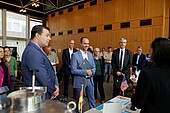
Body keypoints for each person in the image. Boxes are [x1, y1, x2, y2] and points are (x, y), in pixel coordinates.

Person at [22, 25, 59, 99]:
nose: (49, 38)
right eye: (47, 35)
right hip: (39, 95)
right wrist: (53, 90)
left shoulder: (36, 49)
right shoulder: (33, 52)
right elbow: (43, 77)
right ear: (37, 36)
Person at [134, 38, 170, 113]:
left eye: (150, 49)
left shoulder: (147, 74)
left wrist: (135, 93)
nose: (149, 52)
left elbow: (138, 103)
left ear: (156, 52)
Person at [71, 37, 96, 113]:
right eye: (85, 43)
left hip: (90, 81)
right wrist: (86, 72)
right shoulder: (75, 55)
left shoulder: (90, 55)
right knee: (79, 102)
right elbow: (73, 70)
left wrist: (92, 71)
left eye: (88, 43)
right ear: (81, 44)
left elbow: (94, 67)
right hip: (80, 81)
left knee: (92, 100)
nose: (86, 45)